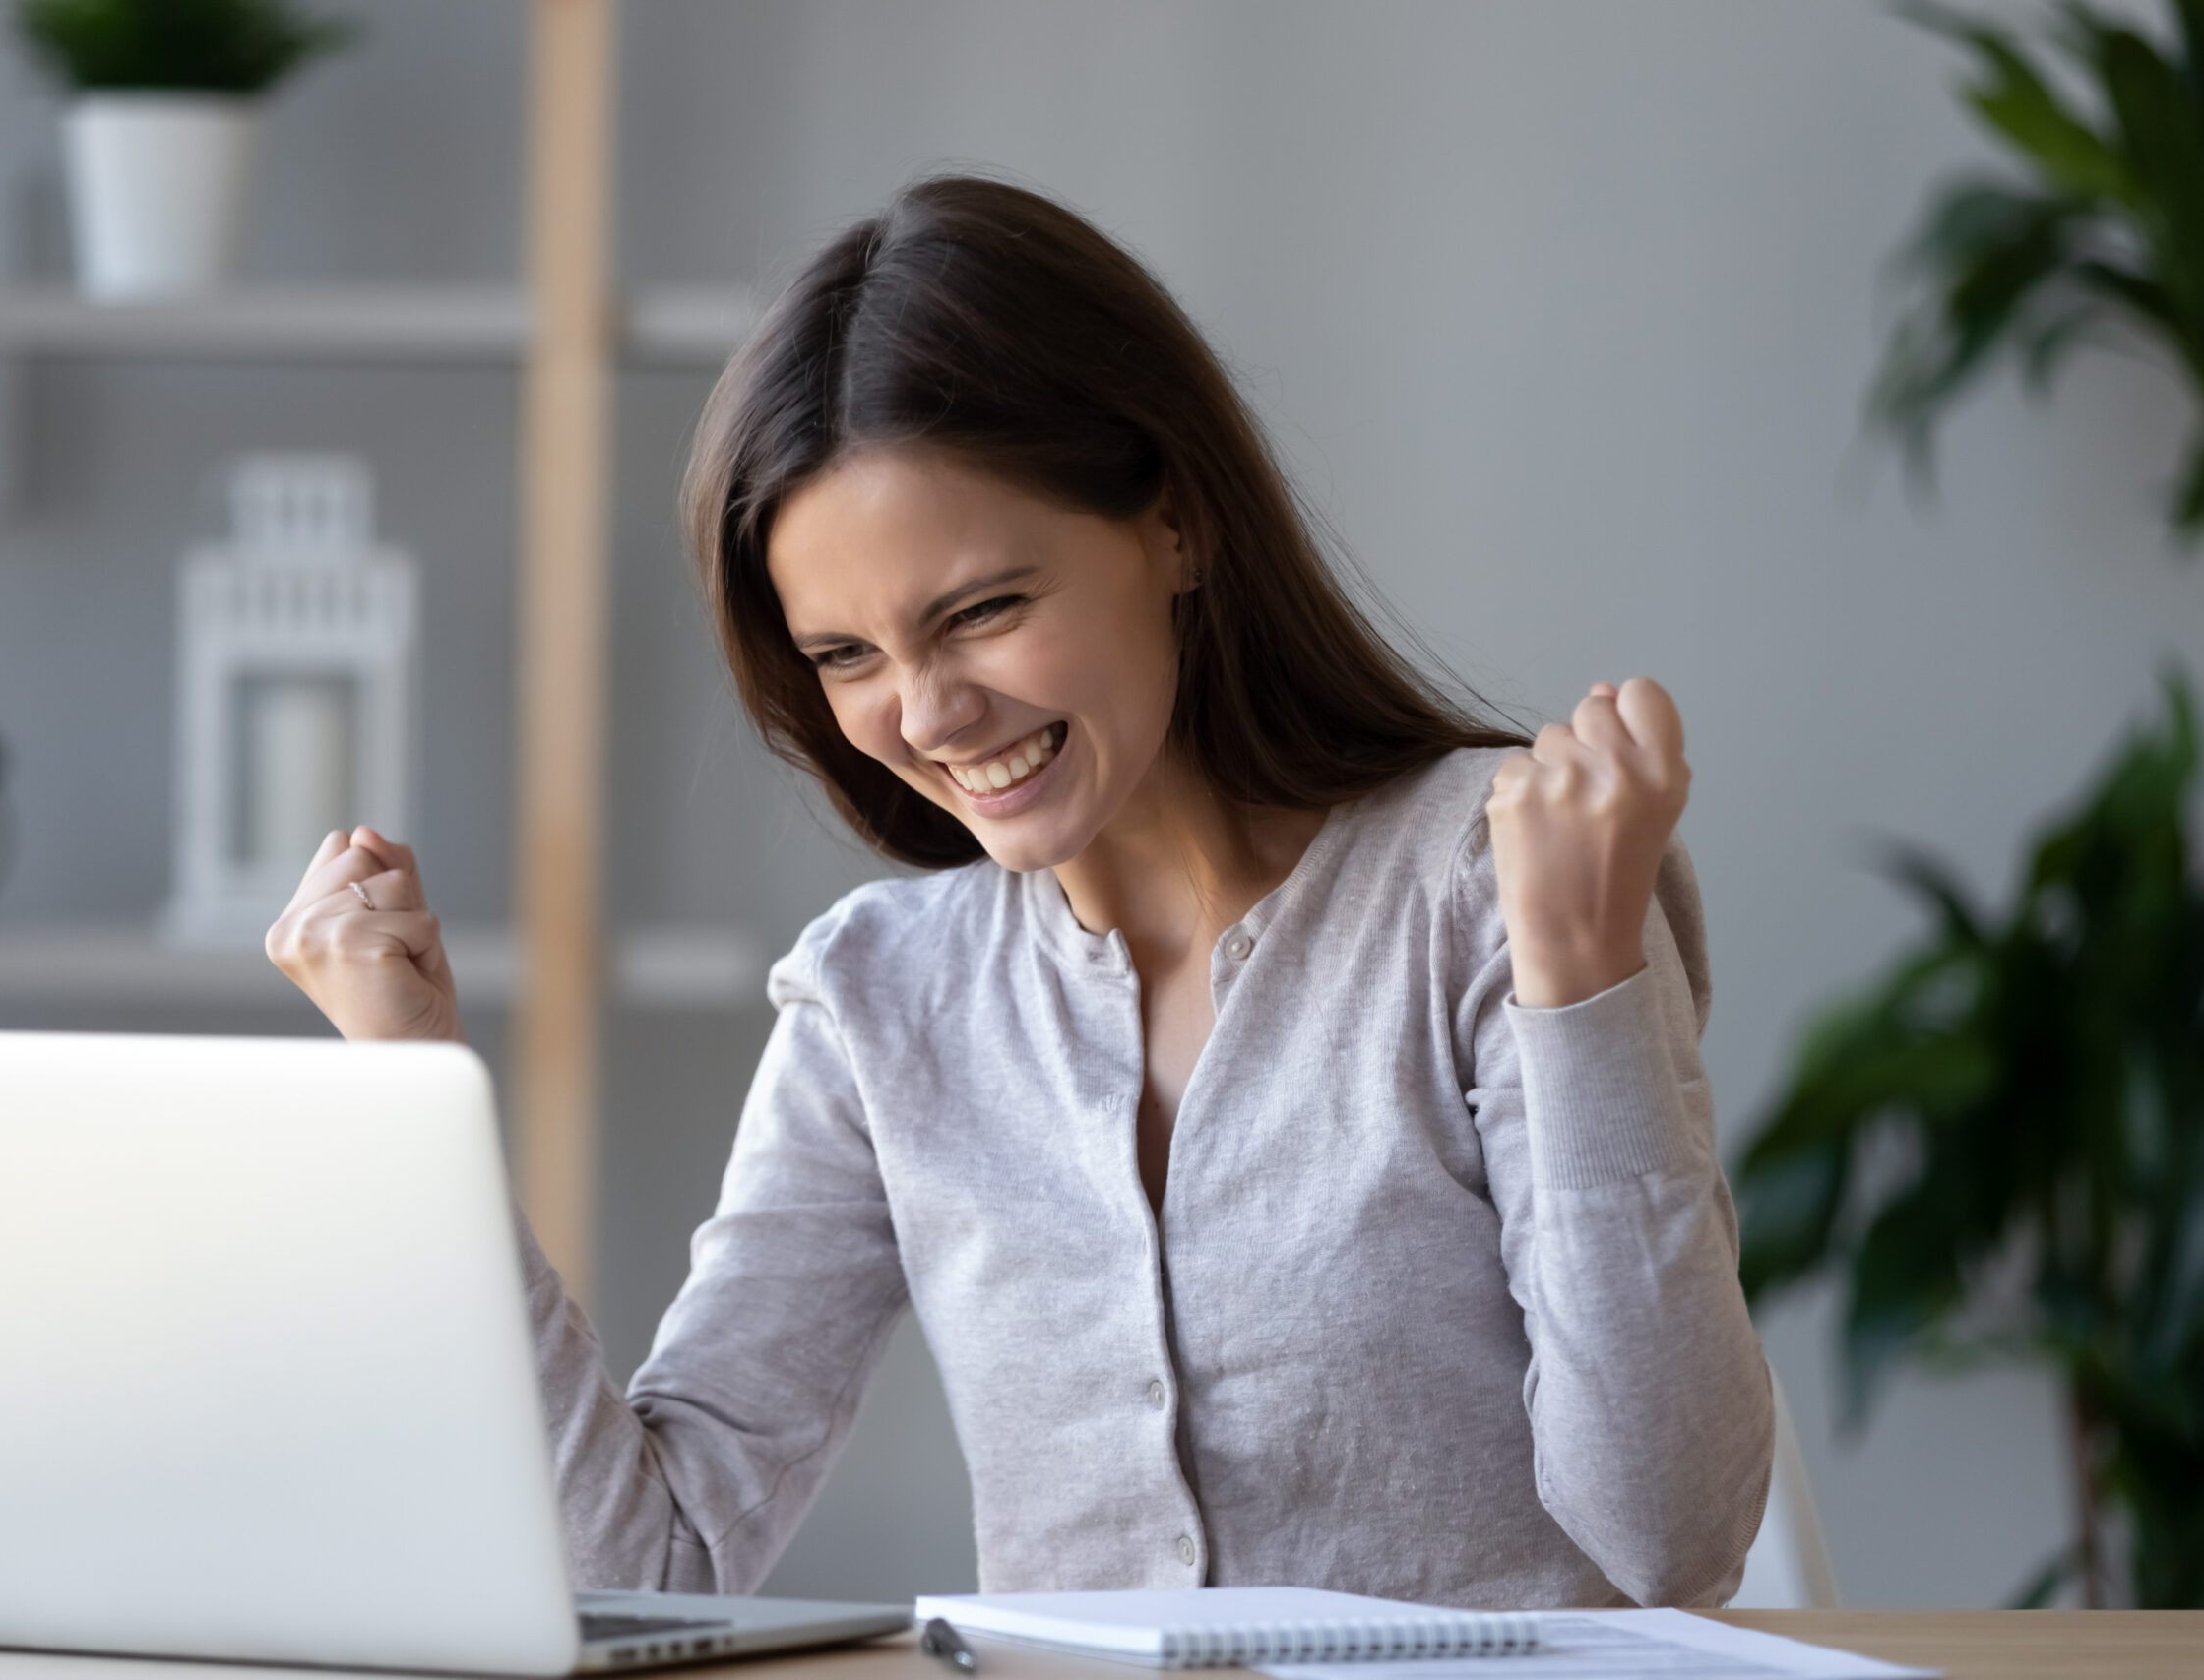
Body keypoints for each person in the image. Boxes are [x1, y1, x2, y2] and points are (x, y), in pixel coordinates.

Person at [268, 176, 1774, 1609]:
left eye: (982, 611)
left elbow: (1673, 1541)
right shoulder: (879, 1000)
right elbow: (646, 1569)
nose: (925, 715)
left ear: (1175, 523)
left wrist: (1578, 982)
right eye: (847, 656)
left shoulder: (1494, 880)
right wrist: (414, 1099)